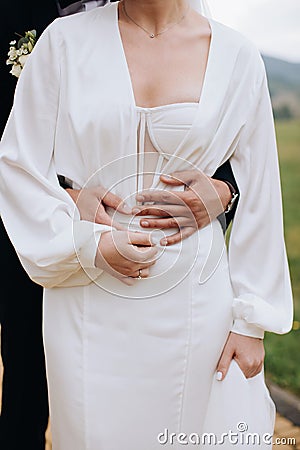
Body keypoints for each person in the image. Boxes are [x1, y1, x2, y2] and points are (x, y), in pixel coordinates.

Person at [0, 0, 292, 449]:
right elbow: (18, 168)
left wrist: (251, 321)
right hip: (86, 294)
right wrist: (88, 246)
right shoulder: (62, 43)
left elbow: (261, 189)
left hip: (197, 299)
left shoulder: (237, 55)